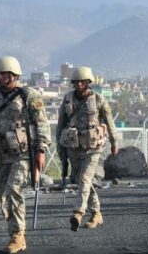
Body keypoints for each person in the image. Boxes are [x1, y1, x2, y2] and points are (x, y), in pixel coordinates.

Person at [0, 56, 50, 254]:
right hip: (0, 155)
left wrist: (41, 151)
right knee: (2, 194)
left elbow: (42, 124)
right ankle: (16, 233)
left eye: (4, 75)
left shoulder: (29, 96)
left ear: (14, 75)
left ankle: (17, 235)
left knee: (14, 190)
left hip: (23, 155)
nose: (0, 78)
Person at [57, 66, 118, 231]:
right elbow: (60, 124)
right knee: (82, 181)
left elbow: (110, 122)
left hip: (92, 149)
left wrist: (114, 142)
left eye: (82, 82)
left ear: (88, 82)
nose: (79, 85)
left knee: (84, 179)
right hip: (73, 148)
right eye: (76, 82)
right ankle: (96, 213)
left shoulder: (98, 99)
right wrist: (59, 148)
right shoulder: (67, 100)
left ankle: (78, 212)